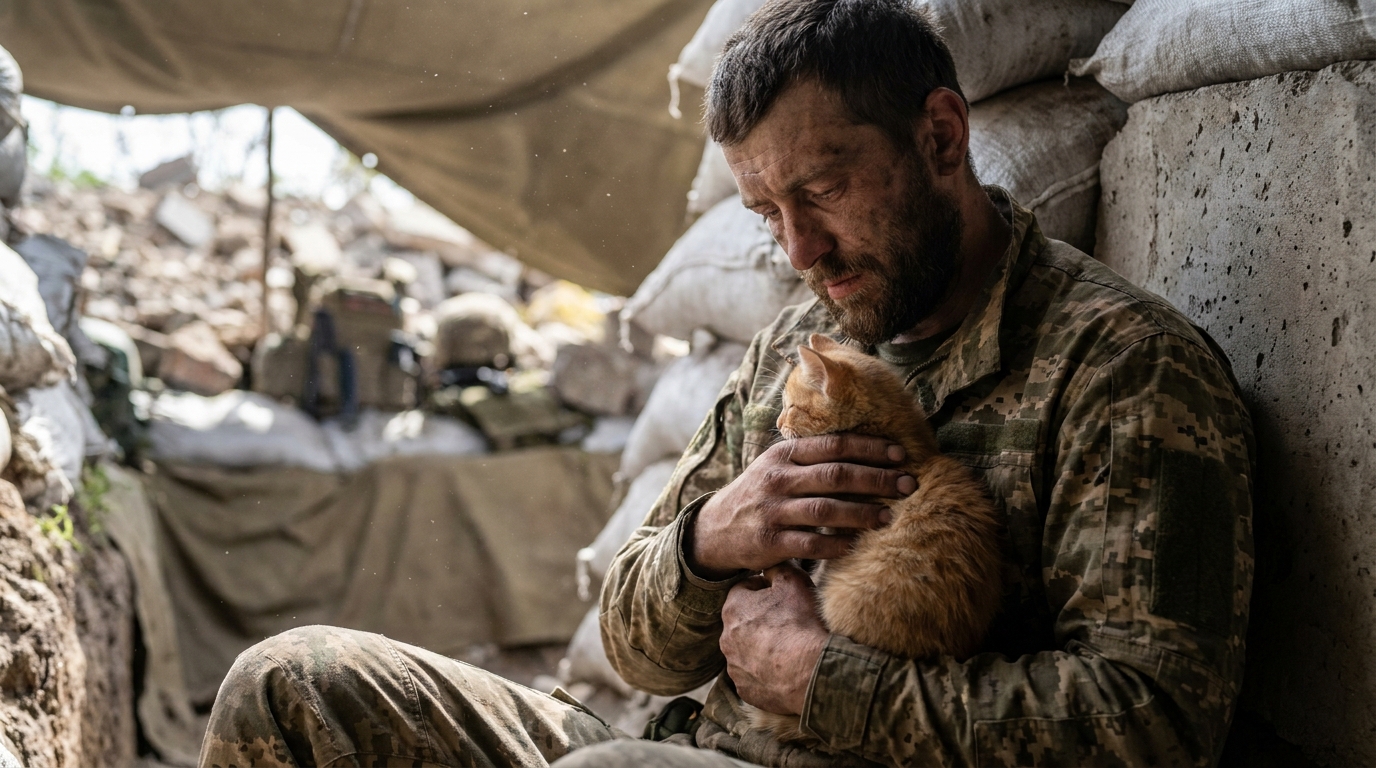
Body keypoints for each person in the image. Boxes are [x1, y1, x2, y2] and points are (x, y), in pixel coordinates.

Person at [199, 1, 1255, 766]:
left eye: (825, 189)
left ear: (939, 136)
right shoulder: (795, 340)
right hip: (682, 747)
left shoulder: (1114, 369)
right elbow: (632, 642)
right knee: (294, 683)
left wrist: (827, 683)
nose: (799, 248)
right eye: (764, 213)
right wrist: (711, 541)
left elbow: (1151, 724)